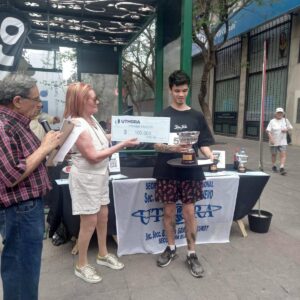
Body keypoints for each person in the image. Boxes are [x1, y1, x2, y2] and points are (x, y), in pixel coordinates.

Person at [63, 82, 139, 284]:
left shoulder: (90, 119)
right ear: (80, 101)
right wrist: (122, 145)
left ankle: (103, 254)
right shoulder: (77, 125)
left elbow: (99, 138)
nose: (97, 101)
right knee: (89, 222)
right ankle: (81, 265)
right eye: (93, 98)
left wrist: (121, 135)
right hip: (86, 178)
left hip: (99, 176)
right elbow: (93, 155)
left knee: (103, 215)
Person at [0, 73, 62, 300]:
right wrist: (45, 148)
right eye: (35, 99)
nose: (39, 104)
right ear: (17, 101)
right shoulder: (3, 125)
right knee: (21, 269)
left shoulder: (19, 123)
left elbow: (32, 161)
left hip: (26, 208)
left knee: (28, 268)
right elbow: (11, 175)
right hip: (19, 210)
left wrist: (52, 148)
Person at [152, 70, 214, 278]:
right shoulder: (162, 115)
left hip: (190, 171)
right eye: (177, 90)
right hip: (166, 170)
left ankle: (192, 253)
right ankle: (171, 248)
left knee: (189, 213)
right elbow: (156, 145)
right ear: (170, 90)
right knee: (169, 212)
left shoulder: (196, 116)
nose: (181, 94)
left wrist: (210, 156)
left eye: (184, 90)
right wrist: (174, 148)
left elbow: (204, 143)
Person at [266, 107, 293, 175]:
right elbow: (268, 130)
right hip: (274, 141)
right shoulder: (272, 121)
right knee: (274, 154)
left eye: (281, 113)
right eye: (278, 113)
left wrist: (286, 129)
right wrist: (271, 138)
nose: (280, 114)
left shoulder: (285, 120)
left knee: (283, 154)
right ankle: (274, 166)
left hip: (283, 141)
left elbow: (290, 127)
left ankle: (282, 167)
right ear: (276, 113)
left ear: (283, 113)